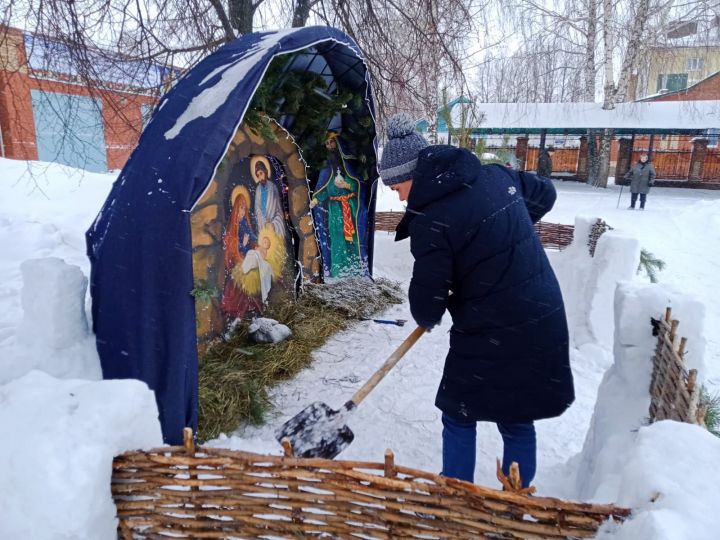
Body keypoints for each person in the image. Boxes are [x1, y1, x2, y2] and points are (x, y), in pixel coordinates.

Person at [379, 112, 574, 489]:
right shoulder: (494, 176)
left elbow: (427, 305)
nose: (396, 194)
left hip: (492, 325)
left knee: (458, 412)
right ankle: (515, 500)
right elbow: (544, 194)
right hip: (542, 312)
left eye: (396, 186)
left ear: (412, 176)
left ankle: (456, 492)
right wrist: (500, 231)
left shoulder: (430, 219)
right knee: (517, 415)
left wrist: (435, 304)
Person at [311, 132, 364, 278]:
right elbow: (324, 188)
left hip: (350, 206)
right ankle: (339, 270)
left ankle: (354, 268)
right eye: (326, 143)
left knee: (352, 238)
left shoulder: (348, 165)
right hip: (335, 209)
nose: (329, 146)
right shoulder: (327, 169)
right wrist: (316, 199)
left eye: (332, 142)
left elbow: (357, 183)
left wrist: (347, 184)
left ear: (338, 143)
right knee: (337, 238)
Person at [252, 156, 286, 238]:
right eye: (258, 175)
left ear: (265, 172)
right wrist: (263, 221)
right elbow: (257, 208)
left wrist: (273, 224)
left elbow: (278, 210)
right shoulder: (258, 190)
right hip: (263, 225)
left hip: (273, 225)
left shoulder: (273, 188)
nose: (260, 177)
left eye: (261, 173)